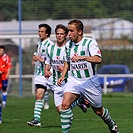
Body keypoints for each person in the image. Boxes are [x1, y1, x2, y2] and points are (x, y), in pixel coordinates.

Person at [57, 19, 119, 133]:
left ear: (79, 31)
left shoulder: (90, 43)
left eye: (71, 31)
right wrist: (62, 76)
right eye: (68, 31)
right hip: (74, 80)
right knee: (65, 104)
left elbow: (98, 59)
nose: (68, 34)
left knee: (98, 111)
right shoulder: (67, 45)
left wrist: (83, 57)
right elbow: (67, 62)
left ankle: (111, 124)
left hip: (90, 81)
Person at [45, 24, 89, 114]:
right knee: (61, 111)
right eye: (57, 34)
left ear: (66, 35)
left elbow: (76, 64)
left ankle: (79, 101)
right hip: (56, 83)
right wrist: (46, 70)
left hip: (68, 81)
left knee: (65, 106)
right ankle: (79, 101)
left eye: (62, 34)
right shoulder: (50, 48)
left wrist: (66, 69)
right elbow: (47, 63)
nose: (59, 36)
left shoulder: (70, 48)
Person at [27, 23, 54, 127]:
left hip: (49, 74)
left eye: (42, 31)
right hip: (39, 74)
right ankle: (36, 120)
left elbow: (52, 58)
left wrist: (43, 60)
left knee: (63, 97)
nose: (39, 33)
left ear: (47, 33)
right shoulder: (40, 43)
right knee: (38, 95)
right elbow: (36, 55)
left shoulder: (50, 44)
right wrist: (36, 58)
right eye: (39, 31)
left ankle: (80, 101)